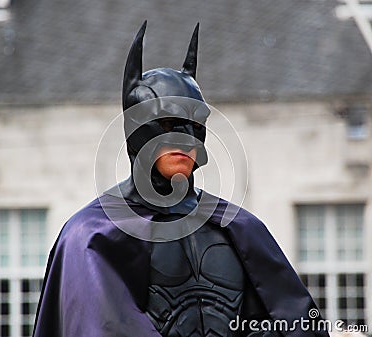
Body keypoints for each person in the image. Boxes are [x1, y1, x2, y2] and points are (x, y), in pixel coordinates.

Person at [33, 22, 329, 337]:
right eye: (169, 122)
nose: (186, 138)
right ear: (137, 129)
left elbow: (294, 325)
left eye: (195, 124)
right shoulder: (90, 236)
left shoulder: (240, 229)